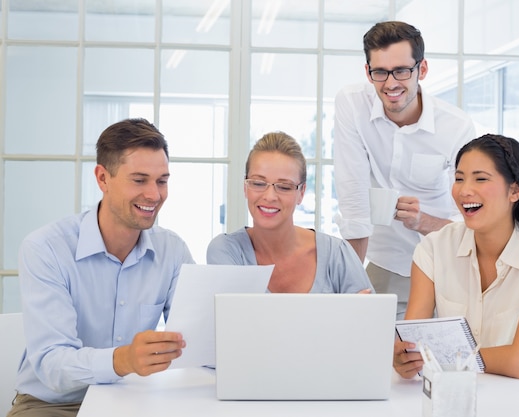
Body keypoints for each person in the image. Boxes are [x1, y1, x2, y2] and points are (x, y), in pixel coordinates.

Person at [8, 118, 195, 417]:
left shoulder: (172, 250)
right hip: (55, 405)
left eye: (162, 180)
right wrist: (124, 360)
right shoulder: (46, 249)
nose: (154, 194)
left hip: (133, 398)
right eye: (139, 179)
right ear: (103, 178)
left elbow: (196, 340)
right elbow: (53, 364)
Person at [393, 134, 519, 385]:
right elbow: (414, 343)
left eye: (480, 179)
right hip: (451, 397)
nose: (464, 190)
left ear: (514, 190)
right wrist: (405, 359)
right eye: (459, 178)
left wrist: (438, 355)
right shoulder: (434, 247)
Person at [333, 21, 476, 318]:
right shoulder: (352, 104)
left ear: (421, 70)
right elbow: (354, 202)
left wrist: (422, 221)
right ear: (368, 71)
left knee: (440, 358)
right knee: (369, 351)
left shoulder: (456, 128)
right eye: (380, 72)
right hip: (386, 263)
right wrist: (347, 290)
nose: (390, 83)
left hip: (445, 267)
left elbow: (471, 223)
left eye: (401, 70)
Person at [206, 131, 373, 294]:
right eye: (258, 183)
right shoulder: (227, 251)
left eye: (284, 187)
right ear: (245, 187)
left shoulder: (337, 254)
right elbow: (234, 319)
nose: (269, 196)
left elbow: (371, 317)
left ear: (301, 193)